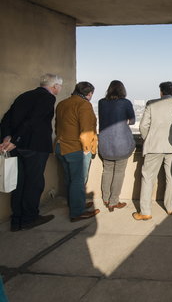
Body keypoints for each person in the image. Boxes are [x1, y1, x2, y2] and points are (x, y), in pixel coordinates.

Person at [0, 74, 63, 232]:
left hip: (17, 148)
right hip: (34, 147)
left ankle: (16, 220)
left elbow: (6, 119)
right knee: (34, 183)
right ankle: (29, 218)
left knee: (19, 183)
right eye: (59, 86)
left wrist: (8, 138)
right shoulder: (48, 98)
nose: (59, 89)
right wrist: (15, 140)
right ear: (55, 86)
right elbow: (33, 121)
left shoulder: (24, 96)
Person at [133, 81, 172, 220]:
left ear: (161, 92)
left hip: (154, 146)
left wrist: (148, 139)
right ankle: (169, 207)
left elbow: (143, 126)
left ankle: (145, 211)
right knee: (171, 177)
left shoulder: (151, 104)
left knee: (147, 177)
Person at [55, 81, 100, 222]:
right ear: (89, 93)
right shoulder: (84, 105)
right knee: (78, 181)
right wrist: (88, 150)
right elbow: (86, 131)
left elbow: (57, 126)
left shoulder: (62, 103)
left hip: (60, 145)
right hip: (75, 148)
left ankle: (75, 204)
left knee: (69, 178)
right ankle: (77, 212)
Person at [98, 80, 135, 212]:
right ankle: (113, 202)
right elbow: (133, 120)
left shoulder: (101, 102)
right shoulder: (126, 103)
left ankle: (106, 198)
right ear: (122, 90)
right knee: (119, 172)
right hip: (121, 144)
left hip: (105, 143)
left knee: (107, 170)